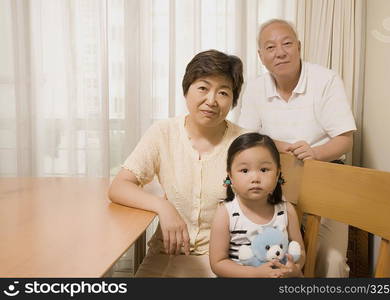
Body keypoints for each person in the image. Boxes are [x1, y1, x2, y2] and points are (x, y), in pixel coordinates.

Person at [108, 49, 246, 277]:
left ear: (232, 100)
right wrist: (163, 207)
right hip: (166, 254)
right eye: (203, 88)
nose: (211, 101)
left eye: (223, 92)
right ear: (187, 89)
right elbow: (119, 186)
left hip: (223, 260)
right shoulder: (163, 132)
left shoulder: (244, 142)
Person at [238, 19, 357, 277]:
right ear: (261, 56)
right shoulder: (256, 88)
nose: (280, 52)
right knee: (263, 255)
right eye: (270, 47)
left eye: (287, 44)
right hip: (274, 183)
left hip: (326, 177)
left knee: (332, 261)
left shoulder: (326, 79)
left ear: (299, 46)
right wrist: (279, 147)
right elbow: (245, 139)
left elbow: (345, 139)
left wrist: (316, 153)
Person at [209, 132, 305, 277]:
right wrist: (255, 273)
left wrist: (295, 268)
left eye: (264, 170)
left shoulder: (286, 209)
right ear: (231, 176)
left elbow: (300, 251)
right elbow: (218, 263)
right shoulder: (226, 212)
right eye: (245, 171)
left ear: (277, 174)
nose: (255, 178)